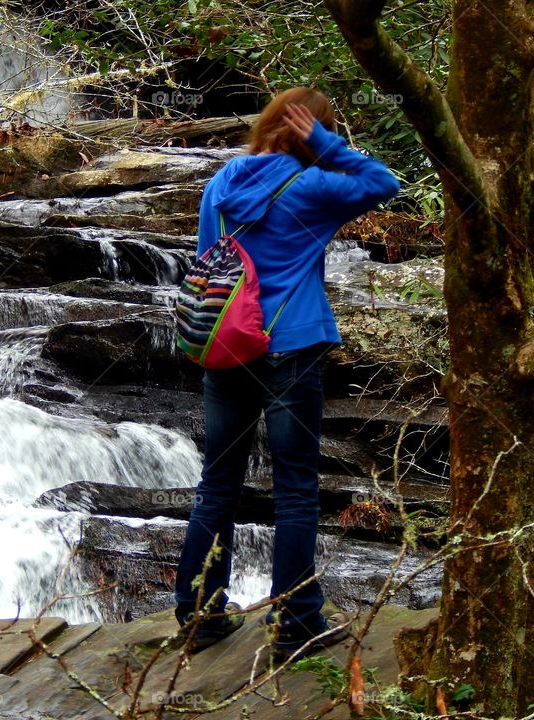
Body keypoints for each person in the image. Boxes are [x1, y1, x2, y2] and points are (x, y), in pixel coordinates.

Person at [173, 86, 400, 658]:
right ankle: (296, 621)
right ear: (308, 131)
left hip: (228, 346)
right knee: (295, 491)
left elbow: (210, 261)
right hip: (291, 347)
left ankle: (200, 616)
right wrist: (326, 146)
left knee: (216, 486)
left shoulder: (224, 182)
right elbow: (383, 182)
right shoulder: (314, 185)